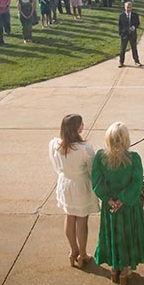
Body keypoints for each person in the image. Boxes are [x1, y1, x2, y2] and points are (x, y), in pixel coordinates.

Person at [92, 122, 144, 285]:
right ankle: (125, 270)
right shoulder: (133, 159)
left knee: (113, 234)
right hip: (128, 206)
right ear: (126, 138)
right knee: (127, 235)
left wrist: (109, 200)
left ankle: (114, 269)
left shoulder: (100, 157)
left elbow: (96, 181)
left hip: (109, 206)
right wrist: (122, 200)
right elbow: (137, 183)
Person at [49, 114, 101, 269]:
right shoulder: (84, 148)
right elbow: (93, 170)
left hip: (65, 183)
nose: (83, 125)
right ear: (77, 128)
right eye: (81, 123)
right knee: (82, 220)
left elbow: (55, 165)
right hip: (80, 185)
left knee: (69, 216)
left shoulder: (55, 144)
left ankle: (73, 251)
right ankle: (83, 255)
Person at [117, 1, 141, 67]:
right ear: (124, 7)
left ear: (131, 8)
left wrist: (133, 27)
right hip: (124, 34)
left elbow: (137, 23)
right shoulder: (121, 16)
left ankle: (136, 61)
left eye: (129, 7)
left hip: (132, 34)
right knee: (123, 48)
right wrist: (121, 33)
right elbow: (119, 25)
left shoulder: (135, 15)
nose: (128, 9)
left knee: (134, 48)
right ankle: (121, 62)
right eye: (127, 7)